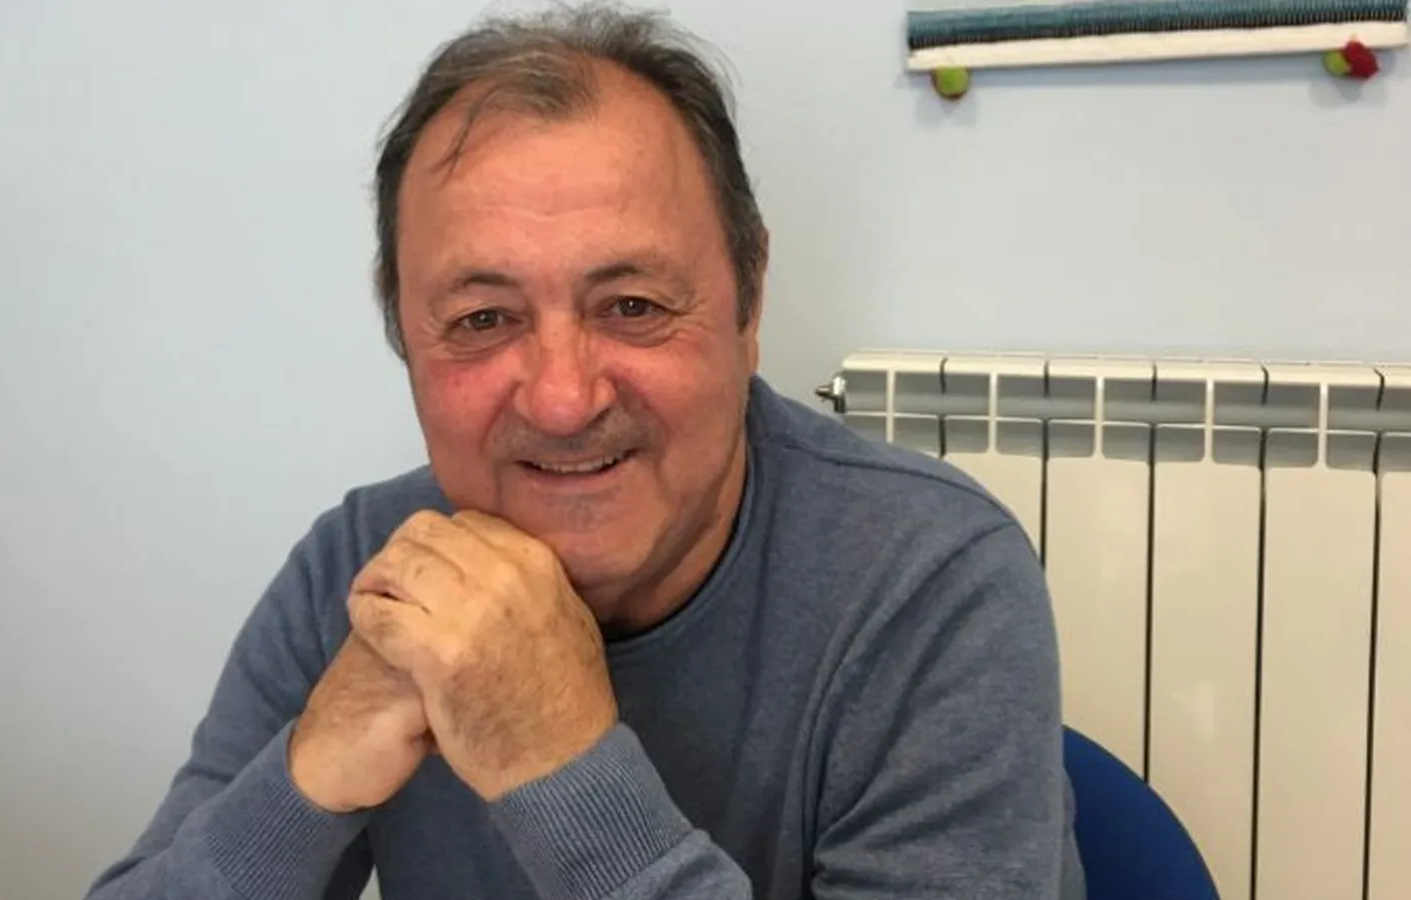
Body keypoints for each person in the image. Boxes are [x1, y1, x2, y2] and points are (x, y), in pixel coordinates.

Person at [85, 3, 1085, 898]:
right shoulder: (358, 576)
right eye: (482, 319)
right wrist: (305, 784)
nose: (563, 401)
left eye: (632, 306)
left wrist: (558, 770)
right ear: (404, 339)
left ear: (747, 303)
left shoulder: (929, 585)